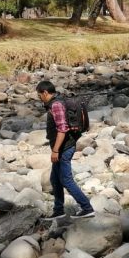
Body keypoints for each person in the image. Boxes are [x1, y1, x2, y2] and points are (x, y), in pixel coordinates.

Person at [36, 80, 95, 219]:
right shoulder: (57, 101)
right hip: (63, 147)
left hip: (64, 148)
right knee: (55, 179)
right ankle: (58, 211)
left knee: (66, 180)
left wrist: (55, 150)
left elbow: (62, 130)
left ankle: (87, 208)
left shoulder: (56, 105)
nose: (39, 98)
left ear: (45, 93)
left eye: (39, 95)